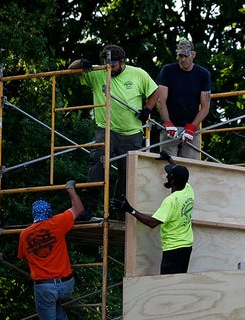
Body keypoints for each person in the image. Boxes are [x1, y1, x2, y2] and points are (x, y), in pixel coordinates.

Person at [68, 44, 160, 220]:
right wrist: (82, 62)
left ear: (122, 62)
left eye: (114, 65)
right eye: (108, 64)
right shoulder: (99, 71)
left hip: (131, 132)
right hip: (106, 129)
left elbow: (155, 91)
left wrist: (147, 109)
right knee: (97, 163)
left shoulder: (138, 74)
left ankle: (120, 209)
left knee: (127, 172)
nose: (110, 68)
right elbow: (70, 69)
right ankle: (88, 208)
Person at [112, 152, 194, 274]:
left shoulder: (171, 201)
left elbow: (152, 223)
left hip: (173, 248)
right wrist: (169, 159)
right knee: (179, 280)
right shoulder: (188, 190)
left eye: (168, 175)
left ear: (172, 180)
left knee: (168, 283)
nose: (166, 177)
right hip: (187, 245)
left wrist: (130, 209)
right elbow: (180, 174)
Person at [18, 180, 84, 320]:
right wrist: (70, 189)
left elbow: (24, 257)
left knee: (48, 304)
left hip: (45, 287)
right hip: (66, 285)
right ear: (49, 212)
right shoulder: (57, 222)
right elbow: (78, 209)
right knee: (57, 310)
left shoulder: (24, 234)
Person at [156, 39, 212, 159]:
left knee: (190, 169)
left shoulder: (203, 74)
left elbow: (205, 106)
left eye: (186, 56)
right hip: (170, 128)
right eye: (180, 56)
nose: (183, 59)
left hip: (191, 128)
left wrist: (192, 127)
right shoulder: (167, 70)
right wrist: (168, 123)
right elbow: (161, 100)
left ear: (193, 54)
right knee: (167, 167)